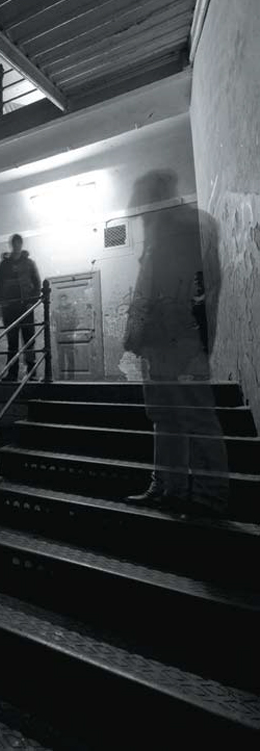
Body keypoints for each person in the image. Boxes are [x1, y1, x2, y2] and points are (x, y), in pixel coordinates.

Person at [123, 171, 228, 515]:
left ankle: (209, 498)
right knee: (164, 417)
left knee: (196, 417)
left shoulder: (189, 226)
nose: (140, 212)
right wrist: (138, 335)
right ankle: (168, 488)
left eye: (143, 203)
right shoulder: (161, 230)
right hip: (158, 343)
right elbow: (149, 287)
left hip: (183, 341)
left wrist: (196, 342)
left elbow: (200, 288)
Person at [0, 234, 41, 381]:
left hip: (25, 307)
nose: (16, 245)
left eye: (18, 243)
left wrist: (32, 301)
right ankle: (12, 374)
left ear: (21, 244)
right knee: (12, 342)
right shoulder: (4, 265)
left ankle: (32, 373)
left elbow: (37, 284)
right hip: (9, 308)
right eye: (14, 243)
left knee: (29, 341)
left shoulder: (29, 263)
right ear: (11, 244)